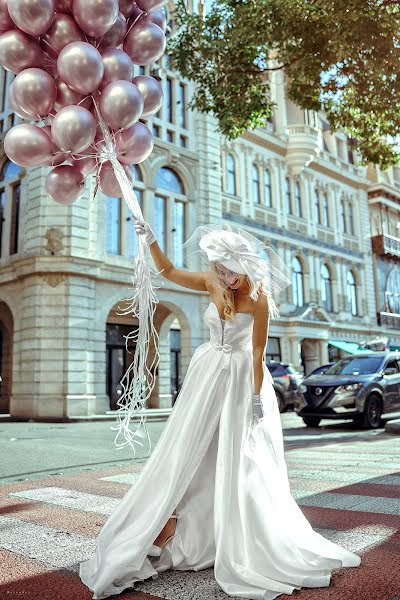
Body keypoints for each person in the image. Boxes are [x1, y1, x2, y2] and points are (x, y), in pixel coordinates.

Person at [79, 221, 361, 600]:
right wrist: (152, 241)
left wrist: (258, 396)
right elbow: (169, 272)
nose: (225, 277)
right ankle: (167, 525)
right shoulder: (213, 283)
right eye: (220, 269)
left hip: (241, 376)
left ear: (245, 267)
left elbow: (259, 353)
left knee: (235, 454)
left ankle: (232, 534)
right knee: (187, 449)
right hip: (207, 371)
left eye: (230, 270)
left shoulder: (259, 298)